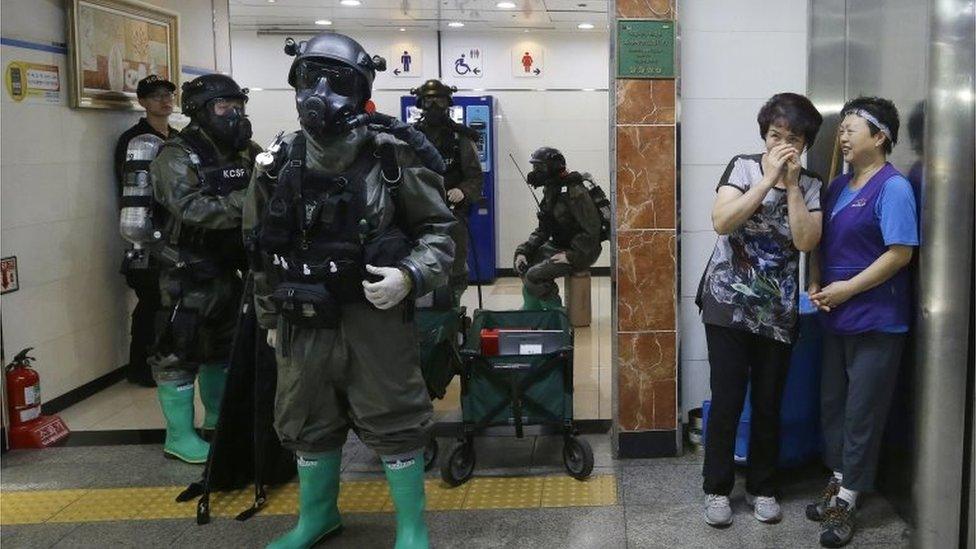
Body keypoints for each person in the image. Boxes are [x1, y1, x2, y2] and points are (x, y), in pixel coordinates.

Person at [244, 33, 455, 549]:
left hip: (374, 320)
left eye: (336, 81)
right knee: (305, 417)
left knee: (395, 417)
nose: (319, 92)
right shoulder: (279, 163)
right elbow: (260, 249)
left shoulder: (392, 157)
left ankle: (411, 527)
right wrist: (271, 318)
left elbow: (439, 235)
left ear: (360, 91)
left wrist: (409, 275)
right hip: (302, 318)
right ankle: (316, 518)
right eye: (309, 78)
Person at [695, 93, 824, 527]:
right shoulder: (743, 167)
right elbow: (722, 221)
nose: (782, 145)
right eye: (775, 135)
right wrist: (767, 181)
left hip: (776, 310)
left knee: (770, 402)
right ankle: (716, 489)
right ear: (764, 135)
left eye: (792, 138)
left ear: (805, 144)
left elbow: (806, 242)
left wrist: (790, 187)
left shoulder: (812, 185)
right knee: (728, 398)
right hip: (727, 303)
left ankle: (763, 487)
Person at [806, 97, 918, 548]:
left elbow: (900, 253)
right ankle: (839, 480)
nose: (844, 136)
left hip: (876, 320)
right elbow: (819, 242)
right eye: (843, 128)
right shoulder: (837, 187)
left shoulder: (893, 189)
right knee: (833, 406)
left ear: (881, 136)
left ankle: (848, 498)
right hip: (836, 317)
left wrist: (848, 288)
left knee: (861, 412)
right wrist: (816, 280)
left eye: (853, 128)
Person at [148, 74, 261, 464]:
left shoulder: (246, 152)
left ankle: (217, 420)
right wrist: (248, 204)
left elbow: (267, 193)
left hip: (230, 269)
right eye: (223, 107)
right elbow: (192, 209)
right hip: (187, 270)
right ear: (199, 112)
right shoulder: (176, 155)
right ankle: (178, 436)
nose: (234, 115)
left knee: (222, 349)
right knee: (180, 350)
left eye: (238, 106)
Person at [114, 75, 178, 387]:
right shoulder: (134, 141)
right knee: (150, 301)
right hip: (145, 235)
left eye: (168, 95)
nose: (164, 101)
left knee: (171, 301)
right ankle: (139, 368)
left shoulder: (179, 138)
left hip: (176, 233)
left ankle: (165, 360)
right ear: (142, 102)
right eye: (155, 96)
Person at [411, 79, 484, 303]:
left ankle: (452, 311)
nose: (434, 107)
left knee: (455, 267)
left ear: (448, 104)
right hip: (417, 213)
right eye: (428, 101)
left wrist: (463, 191)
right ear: (421, 105)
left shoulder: (460, 137)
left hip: (452, 213)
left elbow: (475, 176)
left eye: (439, 101)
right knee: (418, 265)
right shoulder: (410, 137)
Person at [513, 147, 602, 310]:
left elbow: (592, 230)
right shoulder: (551, 190)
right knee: (522, 263)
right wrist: (524, 251)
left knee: (534, 275)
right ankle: (532, 309)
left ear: (553, 167)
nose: (535, 173)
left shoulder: (575, 192)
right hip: (559, 246)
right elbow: (544, 229)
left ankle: (555, 314)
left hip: (582, 251)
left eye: (539, 168)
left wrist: (571, 257)